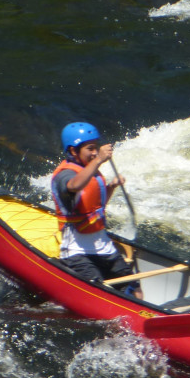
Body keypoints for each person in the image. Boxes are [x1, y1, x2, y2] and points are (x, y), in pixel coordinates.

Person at [50, 122, 140, 295]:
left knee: (133, 287)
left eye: (96, 148)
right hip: (76, 251)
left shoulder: (92, 173)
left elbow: (94, 207)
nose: (94, 153)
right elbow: (74, 186)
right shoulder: (65, 175)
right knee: (100, 291)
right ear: (73, 151)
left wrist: (111, 187)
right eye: (90, 149)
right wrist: (99, 159)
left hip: (103, 246)